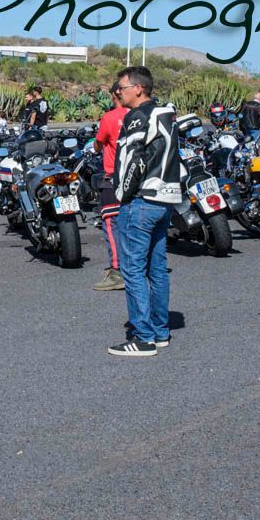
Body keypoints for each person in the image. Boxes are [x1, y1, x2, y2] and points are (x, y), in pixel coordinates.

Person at [108, 66, 180, 357]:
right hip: (164, 200)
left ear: (138, 88)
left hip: (141, 201)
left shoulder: (137, 117)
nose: (118, 92)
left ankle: (143, 338)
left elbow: (132, 162)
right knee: (157, 269)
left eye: (121, 87)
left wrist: (122, 195)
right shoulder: (165, 115)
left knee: (133, 270)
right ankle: (161, 332)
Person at [92, 82, 129, 291]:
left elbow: (98, 143)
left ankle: (117, 271)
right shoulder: (141, 115)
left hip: (114, 177)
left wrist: (99, 144)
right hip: (139, 177)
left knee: (111, 223)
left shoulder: (110, 117)